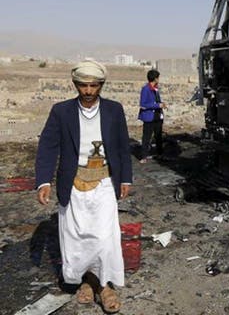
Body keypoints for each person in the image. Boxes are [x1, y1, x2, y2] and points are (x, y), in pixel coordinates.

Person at [35, 60, 132, 313]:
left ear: (101, 85)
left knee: (103, 238)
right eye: (83, 85)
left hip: (104, 183)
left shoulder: (114, 110)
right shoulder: (61, 111)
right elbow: (48, 145)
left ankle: (104, 287)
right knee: (76, 239)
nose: (88, 91)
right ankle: (86, 282)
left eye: (93, 85)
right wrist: (43, 181)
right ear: (75, 84)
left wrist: (126, 178)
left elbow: (123, 146)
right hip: (74, 184)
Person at [138, 69, 167, 163]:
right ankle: (144, 156)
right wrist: (157, 105)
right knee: (146, 137)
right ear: (155, 78)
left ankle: (160, 154)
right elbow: (143, 104)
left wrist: (161, 105)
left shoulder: (156, 89)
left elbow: (156, 101)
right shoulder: (145, 89)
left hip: (157, 116)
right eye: (158, 77)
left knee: (158, 136)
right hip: (149, 117)